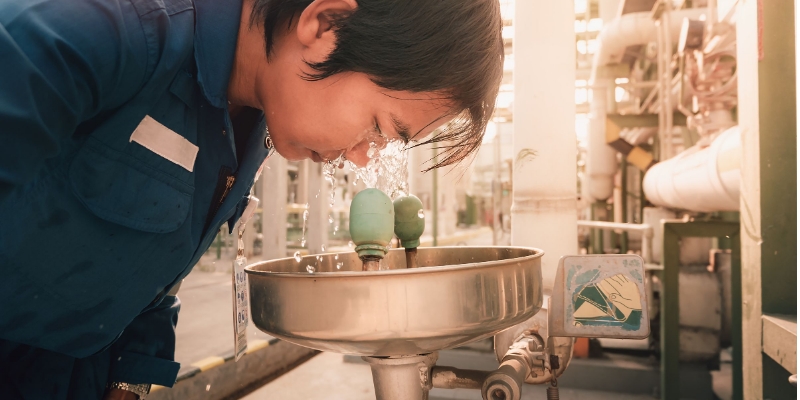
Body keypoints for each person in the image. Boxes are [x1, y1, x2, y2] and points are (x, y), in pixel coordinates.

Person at [0, 0, 503, 398]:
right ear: (325, 24)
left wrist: (127, 381)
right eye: (377, 126)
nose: (363, 156)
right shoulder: (111, 27)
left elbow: (151, 265)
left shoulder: (251, 125)